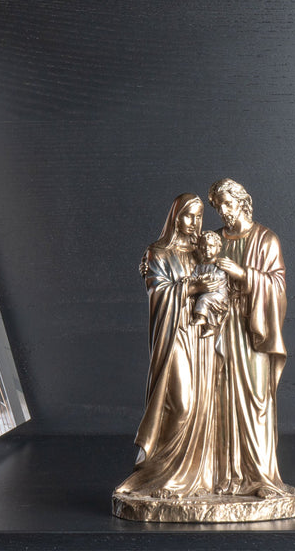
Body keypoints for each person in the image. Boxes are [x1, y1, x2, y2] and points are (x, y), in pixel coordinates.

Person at [116, 194, 220, 499]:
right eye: (188, 215)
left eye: (199, 216)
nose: (194, 222)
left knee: (202, 406)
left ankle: (194, 477)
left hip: (201, 339)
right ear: (175, 216)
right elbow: (158, 293)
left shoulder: (202, 252)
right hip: (173, 336)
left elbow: (221, 283)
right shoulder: (158, 253)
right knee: (182, 404)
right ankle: (161, 475)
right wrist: (192, 286)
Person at [208, 178, 292, 498]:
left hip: (251, 330)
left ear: (243, 202)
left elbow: (278, 286)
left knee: (255, 399)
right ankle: (225, 475)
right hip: (220, 326)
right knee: (221, 399)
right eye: (219, 208)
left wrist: (242, 274)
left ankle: (260, 477)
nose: (224, 212)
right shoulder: (214, 239)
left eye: (228, 205)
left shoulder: (266, 240)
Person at [189, 231, 229, 337]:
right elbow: (194, 277)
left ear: (218, 248)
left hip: (220, 295)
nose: (207, 249)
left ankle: (201, 318)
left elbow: (218, 276)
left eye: (211, 246)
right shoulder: (199, 266)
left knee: (204, 299)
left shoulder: (219, 265)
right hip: (209, 295)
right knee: (205, 302)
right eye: (204, 246)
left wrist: (204, 277)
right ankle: (210, 328)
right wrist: (189, 279)